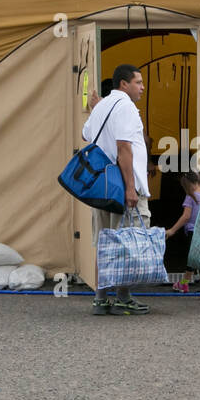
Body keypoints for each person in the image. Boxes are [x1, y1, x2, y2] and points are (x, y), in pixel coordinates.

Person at [82, 64, 151, 316]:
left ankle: (100, 298)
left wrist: (94, 109)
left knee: (104, 241)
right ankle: (123, 296)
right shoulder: (127, 108)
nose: (142, 87)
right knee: (127, 242)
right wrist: (131, 188)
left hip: (102, 186)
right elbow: (124, 148)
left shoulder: (102, 106)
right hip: (123, 187)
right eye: (138, 82)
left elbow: (86, 134)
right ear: (124, 84)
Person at [165, 171, 200, 297]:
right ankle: (184, 283)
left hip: (194, 232)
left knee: (198, 261)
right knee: (193, 259)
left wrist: (172, 230)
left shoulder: (191, 196)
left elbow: (186, 216)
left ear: (189, 185)